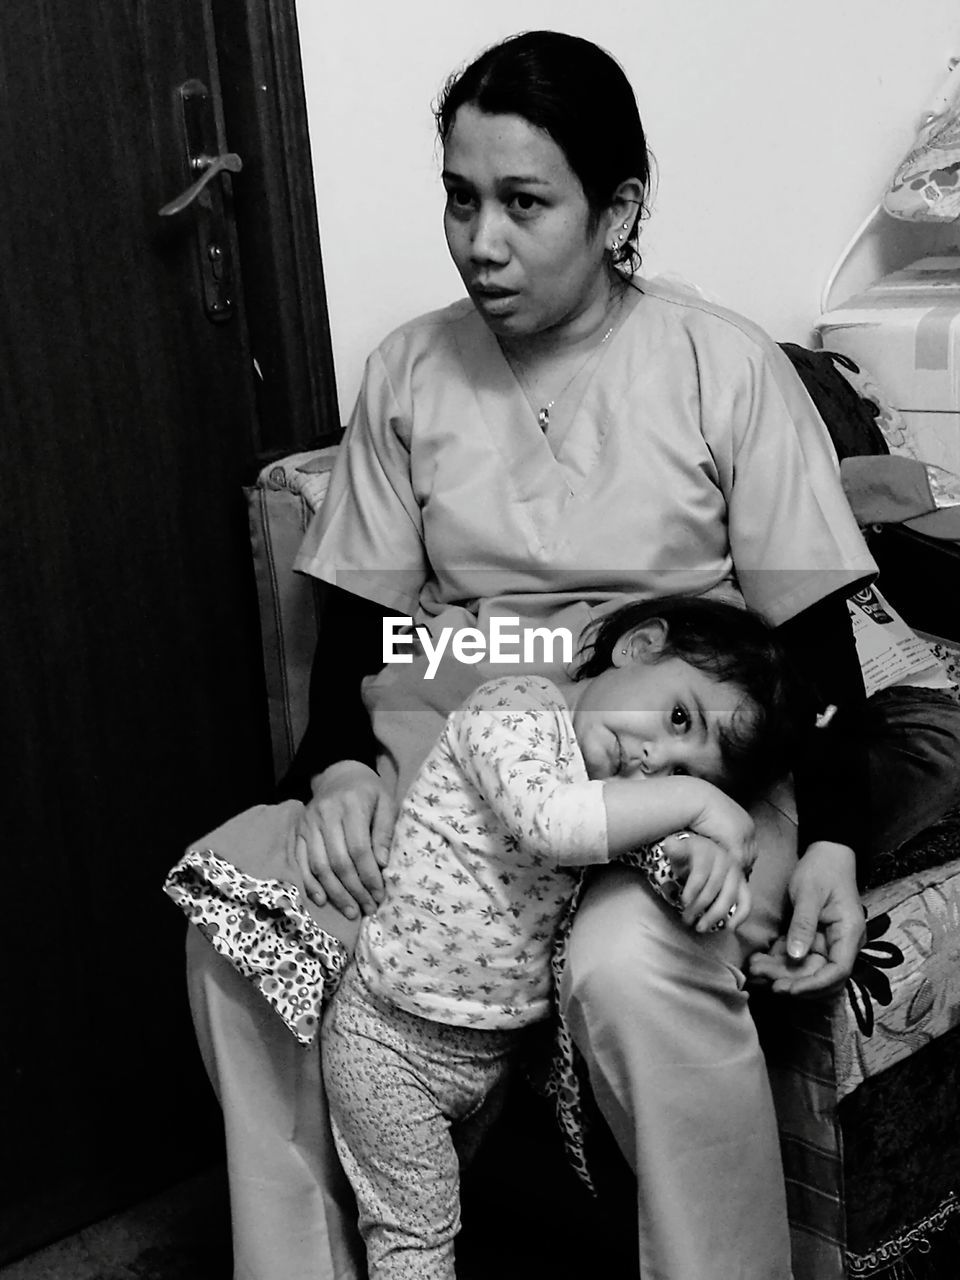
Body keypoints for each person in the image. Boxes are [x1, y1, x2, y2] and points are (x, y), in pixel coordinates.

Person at [182, 29, 960, 1280]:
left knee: (632, 954)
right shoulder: (408, 374)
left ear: (618, 211)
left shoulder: (721, 367)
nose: (480, 240)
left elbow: (813, 644)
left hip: (666, 751)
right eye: (459, 197)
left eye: (524, 203)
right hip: (456, 756)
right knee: (241, 931)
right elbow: (366, 619)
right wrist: (333, 764)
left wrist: (828, 837)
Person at [322, 597, 800, 1280]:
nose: (651, 760)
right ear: (638, 646)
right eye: (678, 717)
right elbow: (555, 822)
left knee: (452, 1221)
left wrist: (711, 859)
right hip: (390, 1044)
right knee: (413, 1246)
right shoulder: (514, 708)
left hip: (486, 1056)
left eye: (684, 770)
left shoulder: (610, 781)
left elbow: (667, 875)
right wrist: (702, 804)